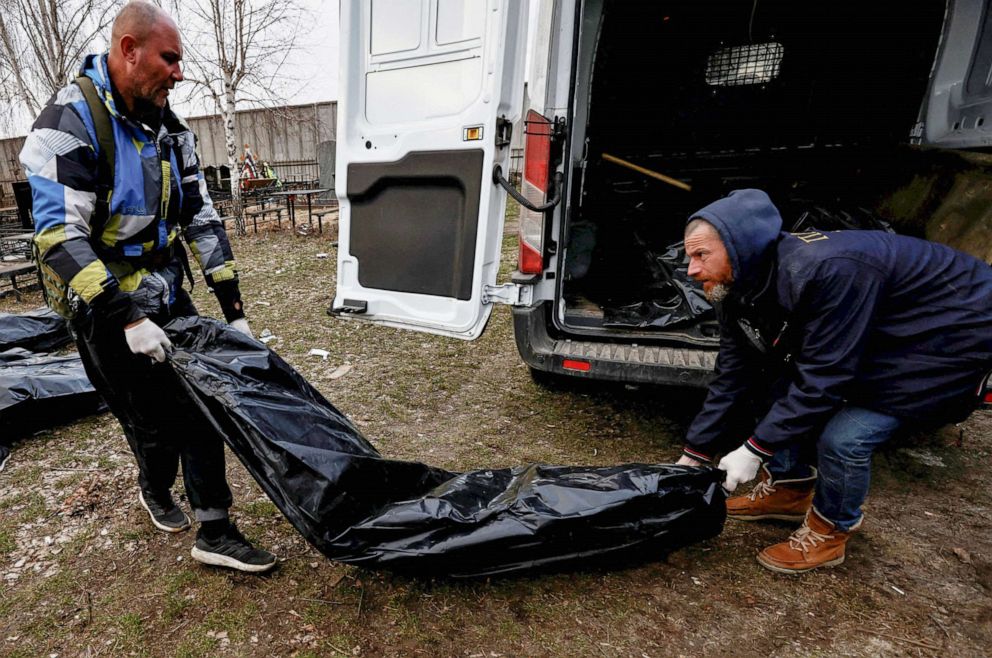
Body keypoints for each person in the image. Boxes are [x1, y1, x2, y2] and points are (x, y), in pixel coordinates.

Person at [20, 1, 275, 572]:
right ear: (128, 50)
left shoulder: (170, 129)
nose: (180, 73)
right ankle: (154, 485)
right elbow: (59, 235)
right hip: (102, 304)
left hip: (164, 287)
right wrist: (128, 318)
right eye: (170, 59)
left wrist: (234, 312)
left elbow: (202, 219)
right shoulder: (67, 124)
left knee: (200, 400)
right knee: (151, 423)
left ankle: (214, 529)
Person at [674, 189, 992, 574]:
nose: (690, 270)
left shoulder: (827, 270)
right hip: (892, 325)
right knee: (769, 383)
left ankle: (830, 530)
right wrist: (696, 452)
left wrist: (754, 450)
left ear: (741, 248)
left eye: (701, 255)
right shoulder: (736, 284)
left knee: (845, 437)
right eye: (689, 256)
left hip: (954, 332)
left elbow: (827, 377)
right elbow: (733, 371)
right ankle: (789, 490)